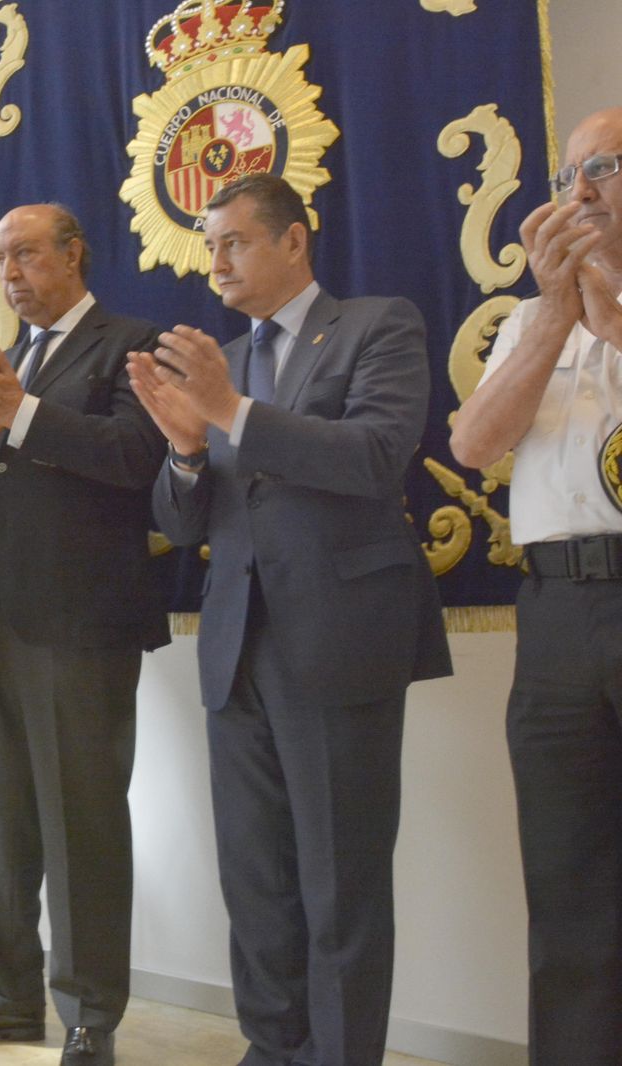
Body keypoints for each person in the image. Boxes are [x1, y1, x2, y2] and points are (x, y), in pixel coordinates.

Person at [127, 172, 450, 1066]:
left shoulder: (378, 324)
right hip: (237, 644)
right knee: (257, 883)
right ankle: (271, 1050)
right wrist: (189, 453)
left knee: (341, 884)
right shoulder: (220, 361)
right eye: (208, 244)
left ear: (293, 241)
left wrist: (227, 411)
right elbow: (183, 523)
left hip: (341, 637)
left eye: (233, 241)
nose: (215, 261)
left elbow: (379, 456)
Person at [0, 203, 168, 1066]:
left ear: (74, 254)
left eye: (26, 255)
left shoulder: (134, 341)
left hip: (82, 622)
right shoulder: (7, 360)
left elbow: (136, 456)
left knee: (83, 825)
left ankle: (91, 1013)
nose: (12, 274)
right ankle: (3, 992)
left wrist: (18, 413)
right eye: (0, 262)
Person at [449, 106, 622, 1066]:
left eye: (600, 166)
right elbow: (474, 445)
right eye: (563, 178)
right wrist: (557, 312)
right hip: (558, 612)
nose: (577, 191)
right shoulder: (529, 320)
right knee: (567, 882)